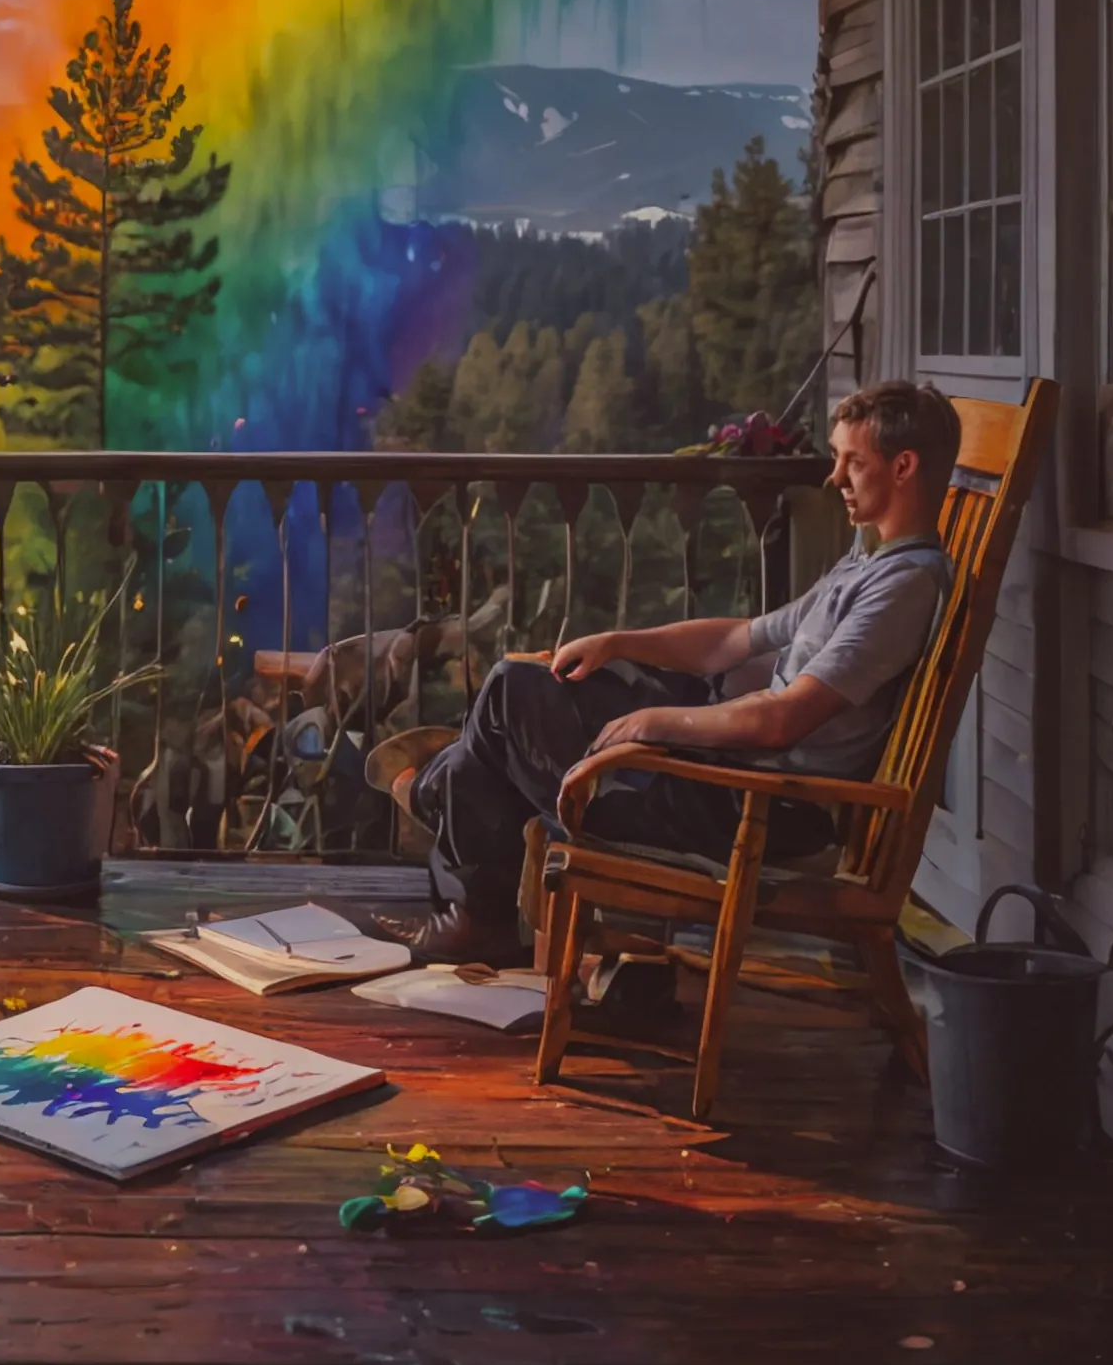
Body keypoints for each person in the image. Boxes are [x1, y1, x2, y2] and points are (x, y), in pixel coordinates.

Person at [378, 380, 962, 967]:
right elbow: (739, 639)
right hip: (726, 774)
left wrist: (655, 722)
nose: (834, 478)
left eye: (852, 462)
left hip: (754, 810)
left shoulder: (901, 587)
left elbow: (783, 720)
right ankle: (452, 811)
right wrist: (617, 642)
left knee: (506, 700)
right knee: (542, 683)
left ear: (904, 466)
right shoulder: (868, 562)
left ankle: (446, 816)